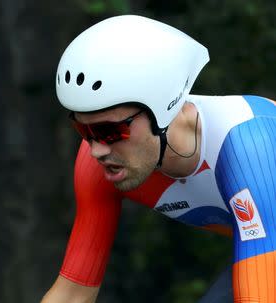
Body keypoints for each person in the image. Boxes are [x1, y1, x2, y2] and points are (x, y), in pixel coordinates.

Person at [41, 15, 276, 303]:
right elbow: (72, 294)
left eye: (110, 131)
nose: (96, 150)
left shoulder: (247, 145)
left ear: (162, 112)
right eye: (83, 129)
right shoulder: (100, 162)